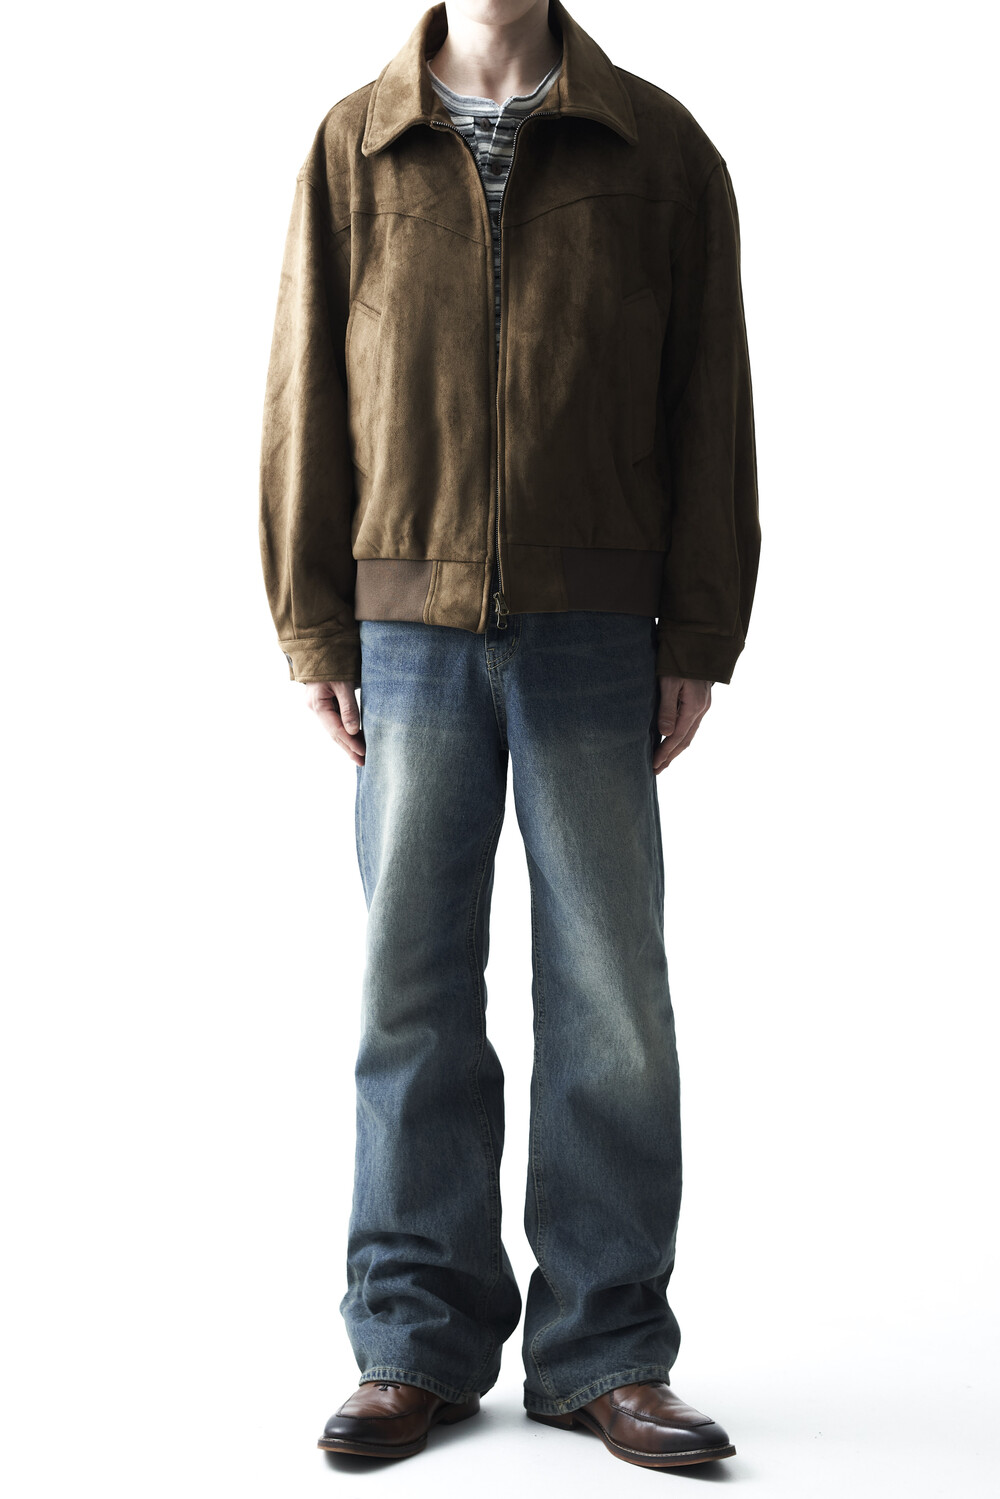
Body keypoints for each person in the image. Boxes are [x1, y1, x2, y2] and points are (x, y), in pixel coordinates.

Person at [258, 0, 760, 1471]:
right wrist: (313, 625)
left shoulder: (658, 148)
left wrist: (700, 629)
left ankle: (608, 1347)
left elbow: (710, 401)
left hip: (597, 629)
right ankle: (411, 1340)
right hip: (405, 630)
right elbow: (303, 394)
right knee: (407, 990)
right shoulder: (353, 147)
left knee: (612, 995)